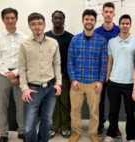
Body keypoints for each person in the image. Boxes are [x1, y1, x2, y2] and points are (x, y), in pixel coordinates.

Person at [18, 12, 62, 142]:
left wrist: (58, 83)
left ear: (44, 25)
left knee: (47, 120)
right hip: (32, 89)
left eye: (39, 24)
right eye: (33, 24)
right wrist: (24, 88)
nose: (37, 27)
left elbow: (57, 64)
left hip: (50, 88)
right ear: (29, 26)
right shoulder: (24, 44)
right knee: (28, 126)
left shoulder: (53, 43)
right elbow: (21, 68)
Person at [68, 9, 107, 142]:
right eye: (87, 19)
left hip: (93, 83)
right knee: (75, 110)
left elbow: (104, 63)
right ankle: (76, 132)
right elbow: (70, 61)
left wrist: (101, 81)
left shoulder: (101, 41)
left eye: (91, 20)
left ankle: (93, 132)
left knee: (94, 111)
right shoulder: (75, 39)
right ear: (82, 21)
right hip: (77, 83)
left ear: (95, 22)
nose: (89, 22)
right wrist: (73, 79)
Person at [0, 7, 28, 142]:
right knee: (2, 106)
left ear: (16, 19)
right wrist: (9, 74)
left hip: (20, 74)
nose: (10, 20)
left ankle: (22, 131)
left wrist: (16, 73)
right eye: (7, 18)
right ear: (3, 20)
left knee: (22, 106)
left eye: (13, 18)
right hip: (3, 75)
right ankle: (3, 134)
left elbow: (25, 58)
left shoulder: (24, 37)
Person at [103, 14, 135, 142]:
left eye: (127, 23)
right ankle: (111, 133)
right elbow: (109, 61)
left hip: (130, 83)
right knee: (113, 111)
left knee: (130, 112)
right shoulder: (112, 42)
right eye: (122, 23)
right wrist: (107, 77)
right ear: (119, 25)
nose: (125, 25)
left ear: (130, 25)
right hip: (113, 82)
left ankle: (131, 136)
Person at [45, 10, 74, 139]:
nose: (58, 20)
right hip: (49, 77)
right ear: (51, 20)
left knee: (65, 103)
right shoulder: (45, 36)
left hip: (65, 77)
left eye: (60, 18)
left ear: (63, 20)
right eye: (55, 18)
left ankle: (66, 127)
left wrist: (64, 73)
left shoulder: (70, 37)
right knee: (52, 103)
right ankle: (52, 127)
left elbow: (72, 58)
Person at [94, 2, 121, 137]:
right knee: (99, 101)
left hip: (116, 74)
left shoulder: (120, 31)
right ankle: (99, 125)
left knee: (114, 103)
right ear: (102, 14)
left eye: (111, 12)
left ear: (114, 14)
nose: (108, 14)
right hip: (99, 73)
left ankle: (114, 127)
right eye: (106, 11)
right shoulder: (96, 32)